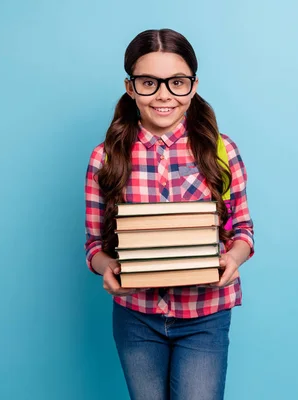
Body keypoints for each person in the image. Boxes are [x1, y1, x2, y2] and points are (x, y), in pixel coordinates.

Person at [84, 28, 254, 400]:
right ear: (131, 88)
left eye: (177, 82)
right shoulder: (106, 158)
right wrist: (106, 266)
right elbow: (94, 243)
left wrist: (233, 258)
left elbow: (242, 228)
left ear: (193, 86)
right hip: (136, 315)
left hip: (206, 314)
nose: (164, 95)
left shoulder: (223, 150)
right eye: (149, 82)